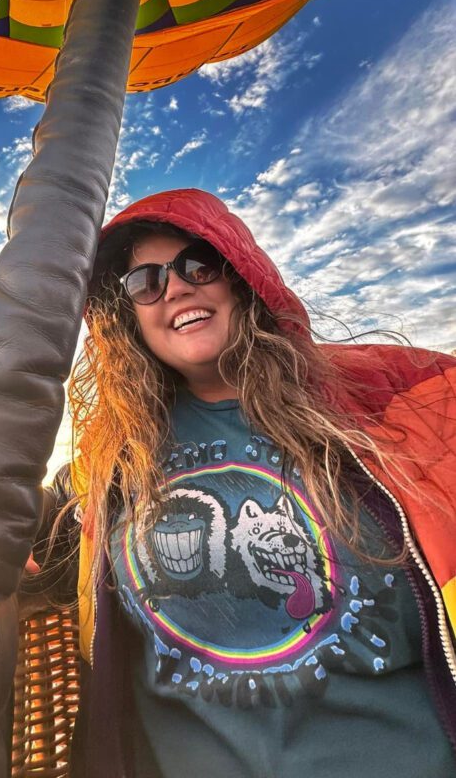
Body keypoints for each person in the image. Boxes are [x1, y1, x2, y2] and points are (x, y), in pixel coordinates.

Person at [25, 187, 456, 778]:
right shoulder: (116, 457)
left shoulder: (389, 401)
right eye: (143, 282)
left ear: (243, 275)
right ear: (129, 315)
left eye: (198, 264)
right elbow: (47, 540)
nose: (175, 287)